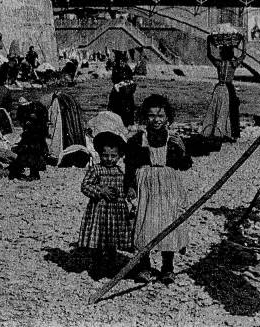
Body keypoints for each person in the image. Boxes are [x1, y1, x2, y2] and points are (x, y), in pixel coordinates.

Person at [126, 94, 194, 285]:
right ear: (144, 117)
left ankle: (167, 267)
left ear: (167, 118)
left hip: (168, 187)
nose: (156, 120)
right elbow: (130, 165)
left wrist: (182, 150)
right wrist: (129, 186)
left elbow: (185, 165)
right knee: (145, 224)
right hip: (146, 186)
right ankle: (145, 266)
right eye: (151, 115)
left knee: (168, 224)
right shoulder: (138, 139)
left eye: (160, 116)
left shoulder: (173, 139)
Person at [77, 130, 134, 276]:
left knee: (112, 240)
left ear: (119, 156)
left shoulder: (120, 172)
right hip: (99, 211)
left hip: (116, 212)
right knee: (98, 240)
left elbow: (125, 188)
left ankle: (111, 266)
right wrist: (101, 190)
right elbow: (85, 186)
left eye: (113, 156)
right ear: (99, 154)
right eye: (105, 155)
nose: (109, 159)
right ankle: (97, 267)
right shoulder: (96, 169)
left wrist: (129, 193)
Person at [201, 39, 246, 141]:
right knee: (230, 110)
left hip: (219, 88)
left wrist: (208, 42)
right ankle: (229, 132)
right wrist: (244, 41)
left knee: (216, 109)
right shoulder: (233, 64)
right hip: (229, 88)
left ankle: (215, 131)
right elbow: (243, 55)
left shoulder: (219, 64)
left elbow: (209, 55)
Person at [8, 97, 50, 181]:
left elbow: (23, 120)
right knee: (34, 152)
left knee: (29, 152)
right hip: (36, 133)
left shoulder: (28, 109)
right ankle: (34, 172)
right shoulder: (37, 107)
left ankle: (27, 172)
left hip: (33, 133)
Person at [107, 55, 137, 127]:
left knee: (129, 107)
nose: (122, 63)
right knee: (117, 106)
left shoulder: (127, 68)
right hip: (119, 90)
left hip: (126, 90)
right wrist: (120, 83)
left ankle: (128, 122)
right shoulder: (116, 68)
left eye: (123, 61)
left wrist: (128, 82)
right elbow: (114, 80)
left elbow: (131, 77)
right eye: (120, 61)